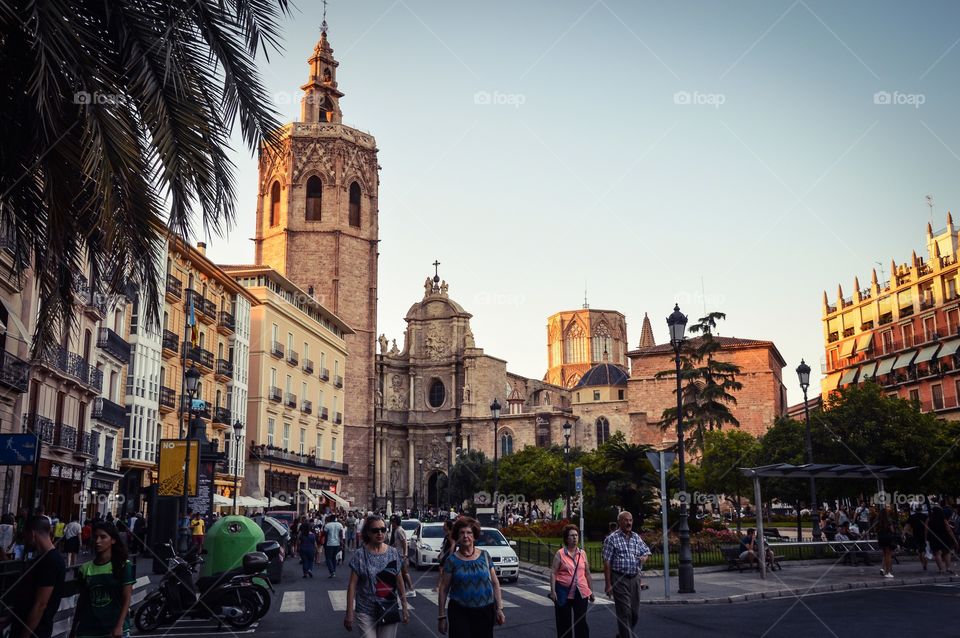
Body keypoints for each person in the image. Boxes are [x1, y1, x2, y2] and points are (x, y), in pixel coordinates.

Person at [437, 517, 505, 638]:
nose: (465, 536)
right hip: (460, 612)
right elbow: (443, 589)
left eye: (469, 532)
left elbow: (495, 583)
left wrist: (499, 608)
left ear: (474, 536)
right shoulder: (452, 560)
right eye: (461, 533)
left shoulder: (485, 556)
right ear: (457, 536)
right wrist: (441, 616)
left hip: (485, 611)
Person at [0, 516, 66, 638]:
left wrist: (24, 635)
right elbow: (28, 596)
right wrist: (10, 618)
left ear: (32, 534)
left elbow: (40, 604)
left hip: (35, 631)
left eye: (26, 536)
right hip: (24, 625)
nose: (25, 540)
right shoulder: (43, 559)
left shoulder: (51, 561)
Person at [344, 514, 409, 638]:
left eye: (383, 530)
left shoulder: (393, 553)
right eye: (375, 530)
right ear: (368, 533)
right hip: (365, 609)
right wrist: (349, 612)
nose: (380, 533)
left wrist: (405, 607)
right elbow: (352, 585)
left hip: (388, 607)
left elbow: (399, 581)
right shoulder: (360, 555)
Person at [71, 521, 135, 638]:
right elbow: (82, 600)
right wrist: (74, 627)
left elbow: (127, 598)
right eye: (95, 537)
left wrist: (119, 626)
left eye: (103, 537)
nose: (98, 541)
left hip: (114, 630)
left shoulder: (124, 565)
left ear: (113, 540)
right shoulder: (85, 568)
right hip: (88, 629)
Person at [602, 511, 650, 638]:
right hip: (619, 579)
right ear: (619, 522)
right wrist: (608, 584)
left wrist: (644, 558)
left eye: (630, 520)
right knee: (624, 612)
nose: (629, 523)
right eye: (626, 520)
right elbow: (607, 562)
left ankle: (622, 635)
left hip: (635, 578)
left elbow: (646, 551)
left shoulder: (635, 537)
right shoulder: (611, 539)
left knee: (634, 613)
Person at [549, 524, 593, 638]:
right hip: (563, 592)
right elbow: (553, 573)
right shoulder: (560, 554)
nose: (575, 538)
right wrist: (553, 591)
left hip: (581, 592)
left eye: (576, 535)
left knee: (581, 622)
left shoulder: (582, 553)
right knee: (564, 622)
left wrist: (591, 591)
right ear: (566, 538)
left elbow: (587, 573)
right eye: (572, 535)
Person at [924, 505, 957, 574]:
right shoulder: (943, 519)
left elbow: (926, 530)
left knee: (937, 553)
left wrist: (926, 538)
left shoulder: (929, 519)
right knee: (947, 552)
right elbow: (949, 530)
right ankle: (948, 568)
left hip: (934, 538)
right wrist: (954, 539)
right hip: (944, 537)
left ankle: (941, 569)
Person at [389, 515, 415, 596]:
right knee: (400, 573)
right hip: (398, 554)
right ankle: (403, 588)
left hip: (401, 555)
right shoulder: (397, 530)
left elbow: (404, 542)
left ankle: (411, 589)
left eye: (392, 522)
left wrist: (405, 554)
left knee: (405, 572)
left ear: (396, 522)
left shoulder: (399, 530)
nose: (391, 524)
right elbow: (397, 543)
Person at [876, 507, 899, 578]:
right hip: (888, 538)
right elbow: (892, 530)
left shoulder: (878, 521)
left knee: (885, 554)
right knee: (888, 555)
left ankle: (884, 569)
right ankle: (888, 572)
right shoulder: (888, 521)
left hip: (881, 538)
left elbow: (876, 529)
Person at [323, 513, 345, 578]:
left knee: (328, 558)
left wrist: (325, 543)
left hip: (329, 543)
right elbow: (341, 534)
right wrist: (341, 542)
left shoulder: (327, 525)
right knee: (334, 558)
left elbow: (325, 535)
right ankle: (334, 571)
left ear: (330, 519)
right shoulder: (339, 524)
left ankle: (332, 571)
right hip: (337, 543)